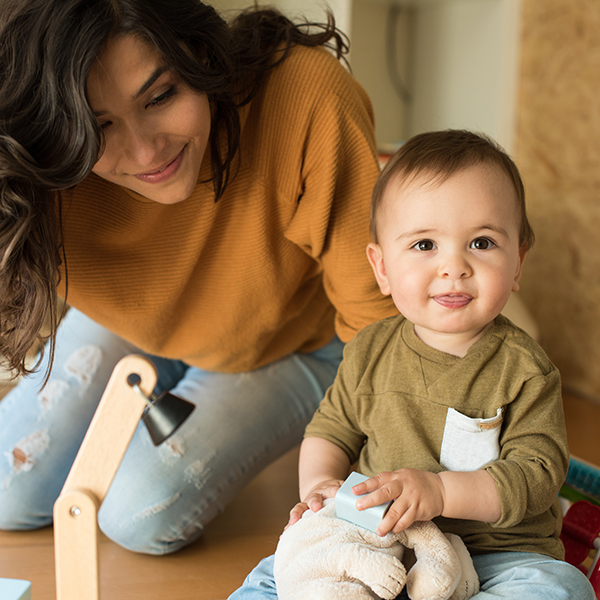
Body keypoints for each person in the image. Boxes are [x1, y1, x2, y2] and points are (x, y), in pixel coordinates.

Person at [0, 0, 397, 555]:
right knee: (6, 491)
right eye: (95, 128)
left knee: (139, 513)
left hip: (295, 341)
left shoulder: (305, 98)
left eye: (161, 96)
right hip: (136, 327)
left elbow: (379, 325)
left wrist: (383, 482)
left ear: (201, 52)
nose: (145, 151)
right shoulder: (33, 160)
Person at [230, 130, 595, 599]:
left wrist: (442, 493)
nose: (454, 266)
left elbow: (538, 474)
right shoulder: (368, 351)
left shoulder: (525, 368)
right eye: (425, 245)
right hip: (377, 540)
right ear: (382, 268)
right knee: (272, 575)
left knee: (562, 589)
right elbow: (330, 430)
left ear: (518, 262)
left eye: (482, 243)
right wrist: (320, 486)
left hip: (496, 554)